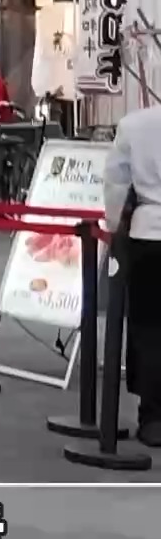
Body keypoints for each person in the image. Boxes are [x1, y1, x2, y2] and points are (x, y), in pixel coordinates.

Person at [104, 105, 161, 448]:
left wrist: (113, 225)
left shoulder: (134, 125)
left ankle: (153, 416)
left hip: (148, 235)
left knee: (148, 326)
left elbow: (115, 181)